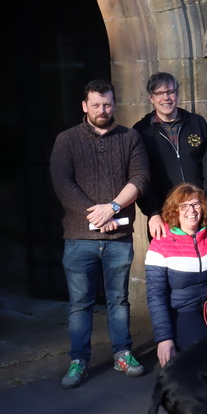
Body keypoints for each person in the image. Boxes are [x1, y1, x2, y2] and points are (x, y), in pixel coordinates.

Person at [49, 79, 150, 389]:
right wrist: (97, 214)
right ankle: (79, 360)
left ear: (114, 104)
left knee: (119, 300)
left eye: (107, 104)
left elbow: (140, 177)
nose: (102, 110)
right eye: (96, 104)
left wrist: (113, 208)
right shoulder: (66, 140)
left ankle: (122, 353)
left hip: (118, 237)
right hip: (80, 237)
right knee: (80, 303)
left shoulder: (130, 138)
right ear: (85, 106)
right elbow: (62, 183)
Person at [143, 184, 207, 367]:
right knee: (204, 355)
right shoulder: (160, 244)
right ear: (175, 210)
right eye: (184, 206)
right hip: (184, 309)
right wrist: (164, 338)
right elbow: (156, 295)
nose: (191, 211)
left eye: (195, 204)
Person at [134, 72, 207, 239]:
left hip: (200, 211)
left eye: (170, 92)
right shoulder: (141, 131)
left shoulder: (196, 123)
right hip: (164, 216)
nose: (166, 98)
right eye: (159, 93)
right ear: (151, 98)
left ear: (177, 94)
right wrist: (152, 212)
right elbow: (140, 176)